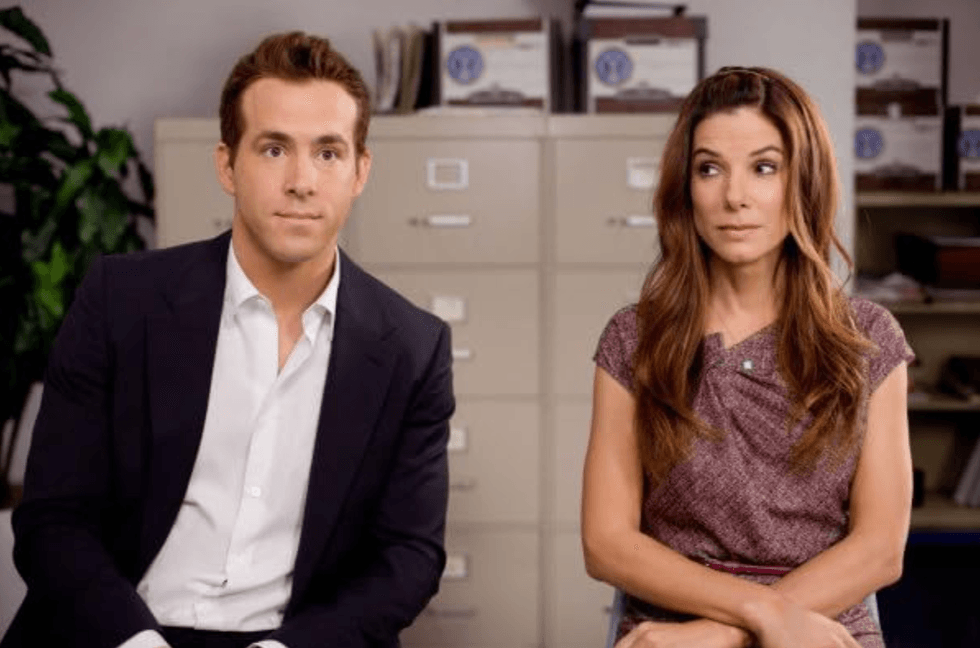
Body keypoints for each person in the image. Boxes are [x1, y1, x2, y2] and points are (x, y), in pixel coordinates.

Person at [2, 31, 455, 648]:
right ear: (227, 165)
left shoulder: (411, 347)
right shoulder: (120, 300)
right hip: (117, 632)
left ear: (359, 171)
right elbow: (53, 519)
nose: (302, 181)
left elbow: (407, 558)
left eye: (328, 153)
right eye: (274, 150)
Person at [583, 66, 913, 648]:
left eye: (765, 168)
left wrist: (723, 635)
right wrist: (756, 616)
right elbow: (607, 542)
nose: (735, 196)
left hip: (819, 626)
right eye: (710, 168)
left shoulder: (868, 340)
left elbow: (880, 548)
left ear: (802, 181)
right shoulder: (634, 339)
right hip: (669, 631)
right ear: (685, 186)